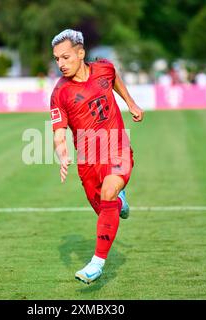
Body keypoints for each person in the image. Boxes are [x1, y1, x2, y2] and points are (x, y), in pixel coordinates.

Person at [49, 29, 144, 284]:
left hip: (116, 147)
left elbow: (114, 80)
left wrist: (131, 103)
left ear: (81, 53)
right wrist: (62, 153)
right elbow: (59, 133)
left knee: (109, 192)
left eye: (66, 57)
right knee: (106, 209)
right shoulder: (60, 94)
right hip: (88, 162)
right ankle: (119, 201)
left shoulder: (105, 69)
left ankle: (96, 263)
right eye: (57, 59)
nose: (61, 64)